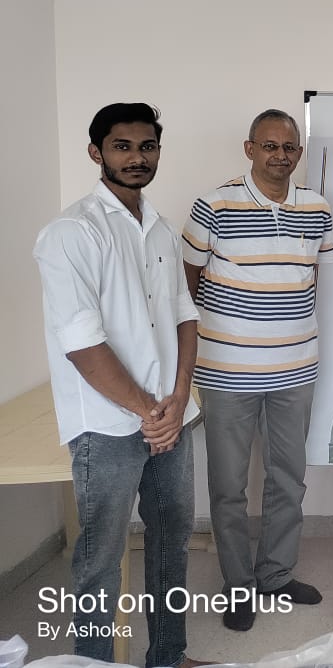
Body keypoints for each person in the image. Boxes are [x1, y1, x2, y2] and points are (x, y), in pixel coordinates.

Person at [33, 103, 209, 668]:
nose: (137, 158)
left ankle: (169, 657)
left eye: (147, 147)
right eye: (122, 146)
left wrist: (178, 399)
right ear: (96, 152)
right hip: (107, 425)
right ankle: (94, 662)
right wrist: (150, 411)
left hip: (169, 418)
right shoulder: (71, 233)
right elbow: (82, 343)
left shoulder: (160, 229)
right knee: (101, 557)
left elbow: (185, 316)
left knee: (170, 541)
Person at [182, 109, 333, 632]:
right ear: (249, 149)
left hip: (295, 370)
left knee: (288, 479)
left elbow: (311, 278)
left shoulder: (317, 209)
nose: (280, 155)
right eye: (269, 146)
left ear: (299, 153)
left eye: (289, 147)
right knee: (228, 487)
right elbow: (188, 283)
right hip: (226, 372)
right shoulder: (214, 205)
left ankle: (275, 574)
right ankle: (238, 585)